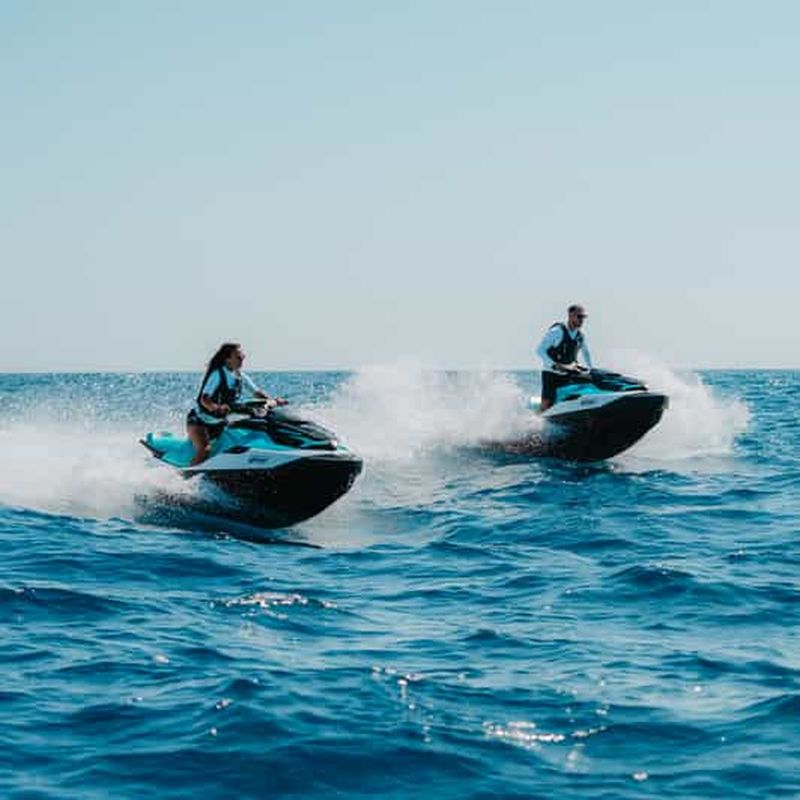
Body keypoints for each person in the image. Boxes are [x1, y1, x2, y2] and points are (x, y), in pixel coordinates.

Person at [187, 342, 286, 465]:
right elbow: (205, 399)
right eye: (238, 357)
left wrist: (273, 401)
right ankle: (183, 480)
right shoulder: (218, 374)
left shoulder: (240, 376)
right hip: (199, 421)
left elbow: (257, 394)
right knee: (205, 450)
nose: (242, 359)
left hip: (219, 423)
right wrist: (216, 407)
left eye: (242, 356)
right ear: (227, 359)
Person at [535, 304, 593, 411]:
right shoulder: (557, 331)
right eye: (579, 317)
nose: (582, 320)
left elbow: (586, 353)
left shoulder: (580, 336)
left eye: (583, 318)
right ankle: (538, 420)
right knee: (547, 404)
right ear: (570, 315)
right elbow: (539, 350)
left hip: (569, 372)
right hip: (551, 374)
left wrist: (591, 369)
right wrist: (553, 365)